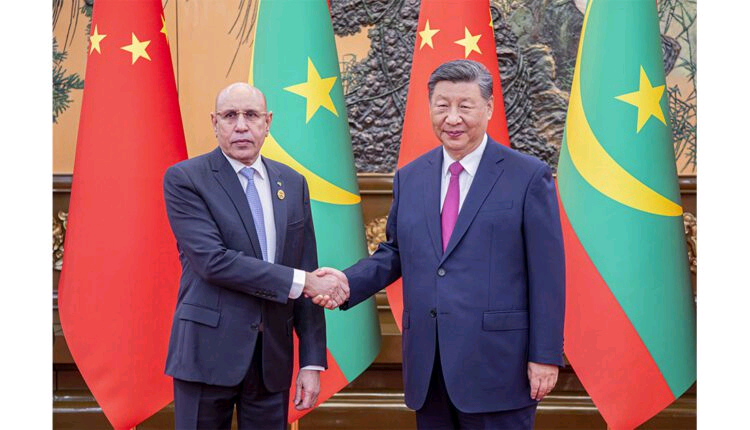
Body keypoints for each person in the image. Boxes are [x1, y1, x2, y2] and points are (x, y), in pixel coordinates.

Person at [316, 60, 565, 429]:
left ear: (488, 108)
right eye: (442, 105)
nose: (452, 118)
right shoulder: (410, 177)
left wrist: (545, 355)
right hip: (429, 367)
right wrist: (347, 282)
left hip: (499, 367)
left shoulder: (528, 176)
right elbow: (396, 252)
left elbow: (547, 274)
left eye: (465, 106)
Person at [163, 82, 348, 430]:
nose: (241, 125)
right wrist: (304, 281)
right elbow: (213, 262)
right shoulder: (186, 179)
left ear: (268, 122)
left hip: (271, 361)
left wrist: (311, 361)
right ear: (215, 122)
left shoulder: (292, 183)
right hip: (206, 355)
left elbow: (306, 267)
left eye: (251, 115)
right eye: (230, 116)